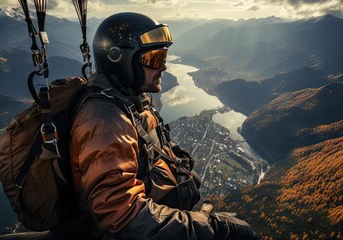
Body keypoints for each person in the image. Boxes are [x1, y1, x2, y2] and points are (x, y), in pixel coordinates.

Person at [69, 12, 258, 240]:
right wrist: (209, 229)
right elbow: (121, 216)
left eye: (164, 58)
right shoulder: (106, 122)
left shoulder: (131, 101)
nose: (164, 68)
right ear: (120, 59)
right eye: (155, 60)